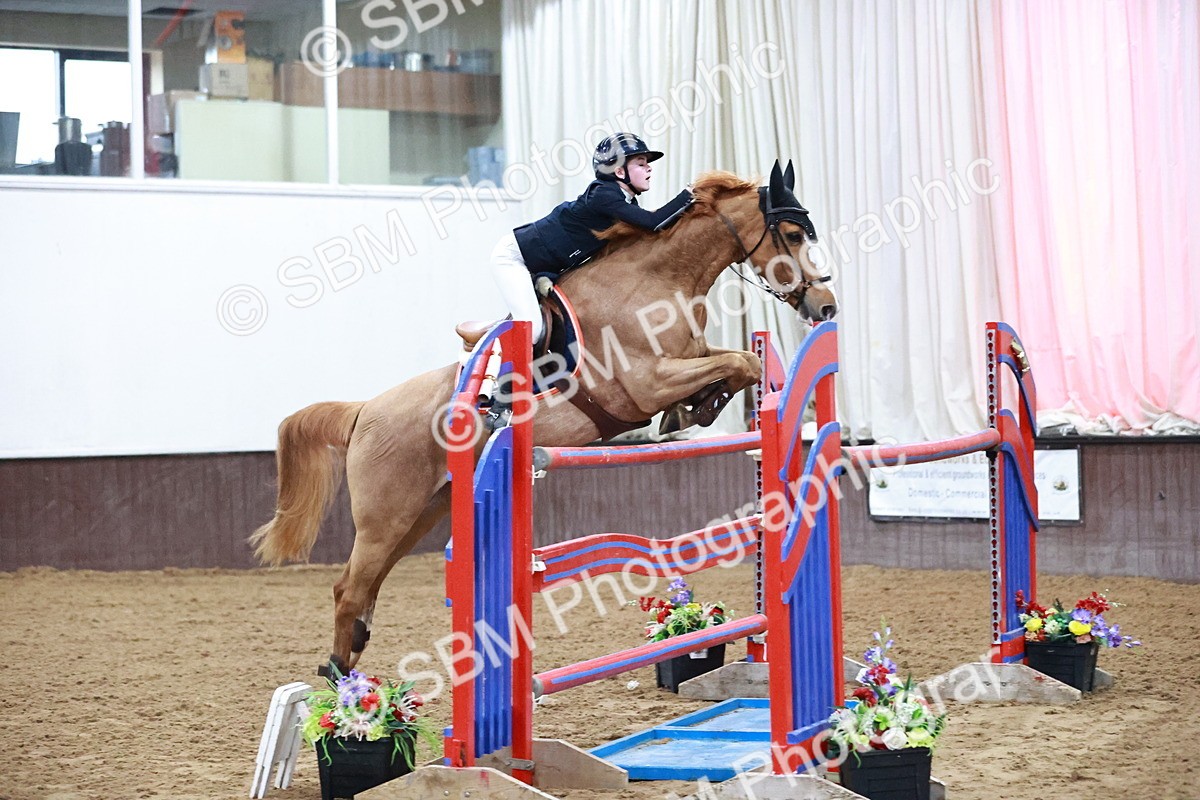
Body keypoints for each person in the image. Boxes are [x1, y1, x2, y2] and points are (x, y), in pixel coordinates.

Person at [491, 132, 694, 345]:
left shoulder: (625, 203)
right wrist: (689, 194)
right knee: (534, 331)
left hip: (545, 264)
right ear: (619, 171)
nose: (649, 168)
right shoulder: (603, 195)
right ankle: (496, 362)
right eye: (641, 163)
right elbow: (653, 222)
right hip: (513, 259)